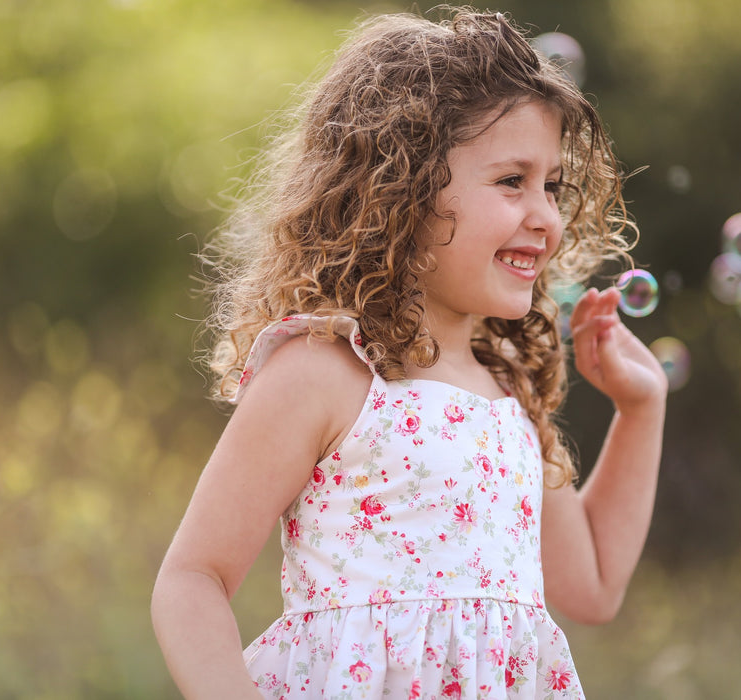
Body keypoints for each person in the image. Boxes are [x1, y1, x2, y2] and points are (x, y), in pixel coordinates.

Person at [151, 8, 667, 699]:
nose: (545, 215)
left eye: (553, 186)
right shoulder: (327, 372)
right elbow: (193, 580)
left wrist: (641, 409)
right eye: (512, 181)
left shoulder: (508, 397)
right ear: (404, 190)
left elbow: (595, 584)